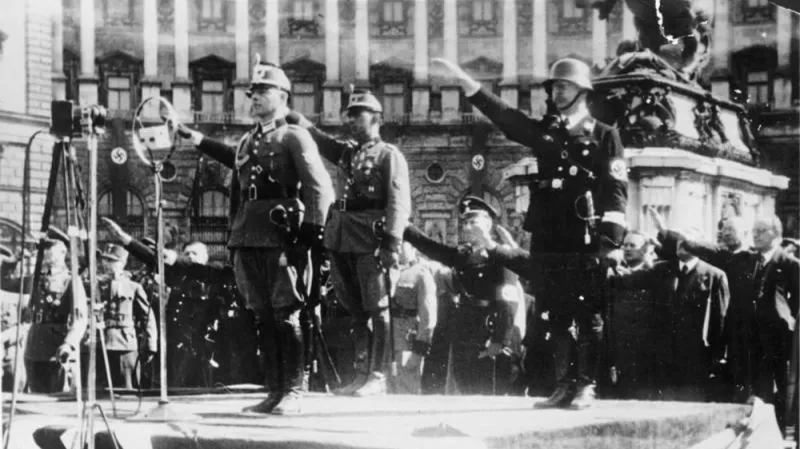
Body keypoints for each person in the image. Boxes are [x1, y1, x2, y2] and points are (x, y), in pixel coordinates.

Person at [432, 57, 628, 409]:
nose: (556, 91)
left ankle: (586, 384)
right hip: (548, 237)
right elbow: (506, 116)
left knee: (588, 314)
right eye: (554, 86)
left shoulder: (603, 134)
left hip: (584, 237)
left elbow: (615, 190)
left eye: (563, 85)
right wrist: (467, 83)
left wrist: (611, 242)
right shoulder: (546, 132)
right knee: (554, 313)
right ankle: (564, 384)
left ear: (582, 90)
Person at [177, 59, 333, 415]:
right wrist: (234, 238)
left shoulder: (294, 136)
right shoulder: (248, 140)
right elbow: (235, 179)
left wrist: (308, 238)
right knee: (262, 316)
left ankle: (294, 390)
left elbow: (319, 189)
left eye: (264, 91)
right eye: (253, 92)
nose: (256, 97)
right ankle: (274, 390)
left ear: (284, 96)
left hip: (281, 237)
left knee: (286, 314)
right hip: (249, 236)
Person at [286, 89, 411, 397]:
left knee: (377, 308)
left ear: (376, 118)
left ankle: (378, 375)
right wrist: (290, 115)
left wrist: (391, 244)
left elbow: (398, 202)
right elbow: (318, 138)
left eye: (358, 115)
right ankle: (360, 373)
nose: (351, 120)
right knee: (355, 310)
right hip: (341, 239)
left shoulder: (388, 155)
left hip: (370, 241)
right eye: (350, 115)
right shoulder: (347, 153)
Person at [103, 218, 261, 388]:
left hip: (218, 358)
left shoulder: (220, 276)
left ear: (206, 257)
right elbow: (155, 260)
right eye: (187, 254)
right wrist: (126, 240)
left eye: (195, 254)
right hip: (181, 355)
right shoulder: (179, 277)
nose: (190, 257)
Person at [403, 196, 526, 395]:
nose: (467, 227)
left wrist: (499, 340)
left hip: (489, 333)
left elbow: (509, 302)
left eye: (473, 222)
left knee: (489, 392)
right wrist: (406, 229)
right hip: (464, 332)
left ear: (488, 224)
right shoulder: (464, 254)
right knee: (466, 387)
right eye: (464, 223)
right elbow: (434, 249)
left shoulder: (501, 254)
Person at [650, 208, 761, 402]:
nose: (725, 233)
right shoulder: (717, 254)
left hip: (742, 324)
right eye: (723, 229)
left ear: (745, 233)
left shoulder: (751, 257)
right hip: (718, 322)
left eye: (731, 229)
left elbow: (695, 246)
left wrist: (667, 232)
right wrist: (665, 233)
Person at [610, 229, 730, 401]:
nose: (681, 245)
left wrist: (717, 356)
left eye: (687, 241)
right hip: (664, 355)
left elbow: (721, 320)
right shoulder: (663, 269)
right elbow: (630, 281)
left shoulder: (714, 276)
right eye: (679, 242)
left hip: (696, 356)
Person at [23, 227, 88, 393]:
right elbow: (7, 282)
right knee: (33, 398)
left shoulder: (71, 280)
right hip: (34, 347)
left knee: (55, 400)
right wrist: (12, 262)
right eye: (43, 248)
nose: (44, 252)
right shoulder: (36, 279)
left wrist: (69, 343)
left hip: (57, 349)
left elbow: (80, 319)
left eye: (48, 248)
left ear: (62, 251)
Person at [749, 216, 799, 432]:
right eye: (754, 230)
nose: (755, 235)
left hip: (779, 340)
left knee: (781, 387)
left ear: (776, 233)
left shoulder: (790, 264)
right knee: (759, 390)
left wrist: (786, 322)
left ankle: (779, 432)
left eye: (761, 230)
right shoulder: (752, 260)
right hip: (754, 337)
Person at [95, 243, 157, 390]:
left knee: (128, 388)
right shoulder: (96, 286)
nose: (107, 264)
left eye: (112, 261)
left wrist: (151, 344)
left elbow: (147, 317)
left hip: (126, 343)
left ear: (122, 263)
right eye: (105, 260)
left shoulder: (133, 287)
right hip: (101, 341)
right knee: (102, 388)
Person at [390, 242, 437, 394]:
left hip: (407, 342)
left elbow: (428, 316)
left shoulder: (421, 274)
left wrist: (420, 349)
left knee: (407, 389)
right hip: (385, 343)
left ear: (413, 248)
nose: (397, 249)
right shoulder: (385, 271)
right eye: (394, 244)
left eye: (401, 244)